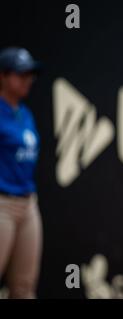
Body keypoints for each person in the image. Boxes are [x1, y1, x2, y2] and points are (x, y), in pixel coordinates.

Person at [0, 47, 42, 298]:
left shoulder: (25, 113)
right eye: (20, 74)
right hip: (2, 203)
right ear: (3, 76)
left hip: (28, 203)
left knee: (25, 287)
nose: (28, 80)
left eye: (30, 74)